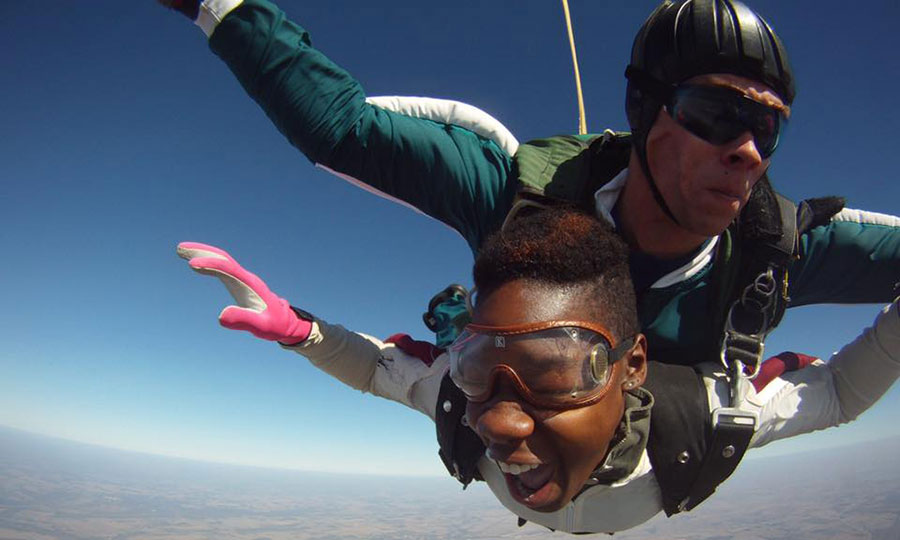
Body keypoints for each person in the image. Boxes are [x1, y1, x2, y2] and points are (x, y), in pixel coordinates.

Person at [160, 0, 900, 368]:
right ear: (647, 114)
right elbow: (344, 131)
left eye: (767, 128)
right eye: (715, 112)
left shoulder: (775, 252)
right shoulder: (515, 198)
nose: (746, 150)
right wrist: (214, 8)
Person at [177, 208, 900, 534]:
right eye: (477, 364)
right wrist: (298, 329)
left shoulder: (708, 416)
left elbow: (831, 388)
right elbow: (378, 366)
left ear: (632, 366)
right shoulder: (458, 405)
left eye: (556, 372)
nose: (495, 418)